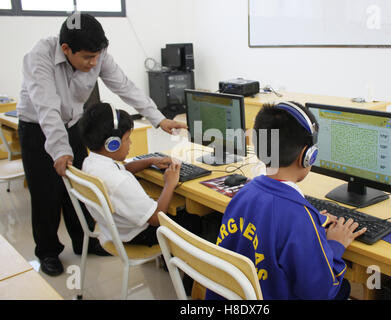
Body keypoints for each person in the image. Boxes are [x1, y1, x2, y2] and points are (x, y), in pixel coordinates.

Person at [17, 13, 186, 276]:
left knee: (78, 185)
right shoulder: (40, 56)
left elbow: (126, 87)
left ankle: (83, 239)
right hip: (37, 127)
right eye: (87, 57)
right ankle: (48, 251)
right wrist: (60, 151)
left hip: (72, 124)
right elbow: (47, 109)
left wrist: (158, 118)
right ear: (66, 50)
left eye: (97, 56)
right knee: (45, 193)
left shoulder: (99, 55)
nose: (93, 62)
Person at [205, 101, 366, 300]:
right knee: (343, 289)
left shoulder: (243, 194)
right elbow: (319, 292)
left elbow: (270, 223)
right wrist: (336, 244)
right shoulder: (298, 217)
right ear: (307, 156)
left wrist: (313, 221)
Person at [78, 102, 201, 249]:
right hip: (138, 234)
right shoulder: (119, 182)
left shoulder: (91, 162)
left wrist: (151, 161)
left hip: (114, 231)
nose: (130, 143)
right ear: (112, 144)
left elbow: (123, 169)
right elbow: (156, 218)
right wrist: (169, 184)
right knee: (195, 221)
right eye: (127, 139)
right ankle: (184, 269)